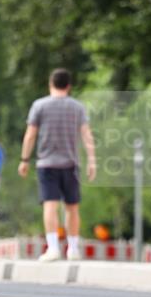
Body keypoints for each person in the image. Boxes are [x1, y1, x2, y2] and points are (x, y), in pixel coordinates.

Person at [18, 68, 96, 262]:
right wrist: (92, 160)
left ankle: (53, 248)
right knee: (72, 207)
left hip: (46, 164)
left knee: (50, 206)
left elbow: (30, 135)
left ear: (50, 84)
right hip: (71, 163)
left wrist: (25, 160)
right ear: (69, 86)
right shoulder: (78, 107)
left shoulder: (39, 105)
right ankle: (73, 249)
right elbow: (87, 135)